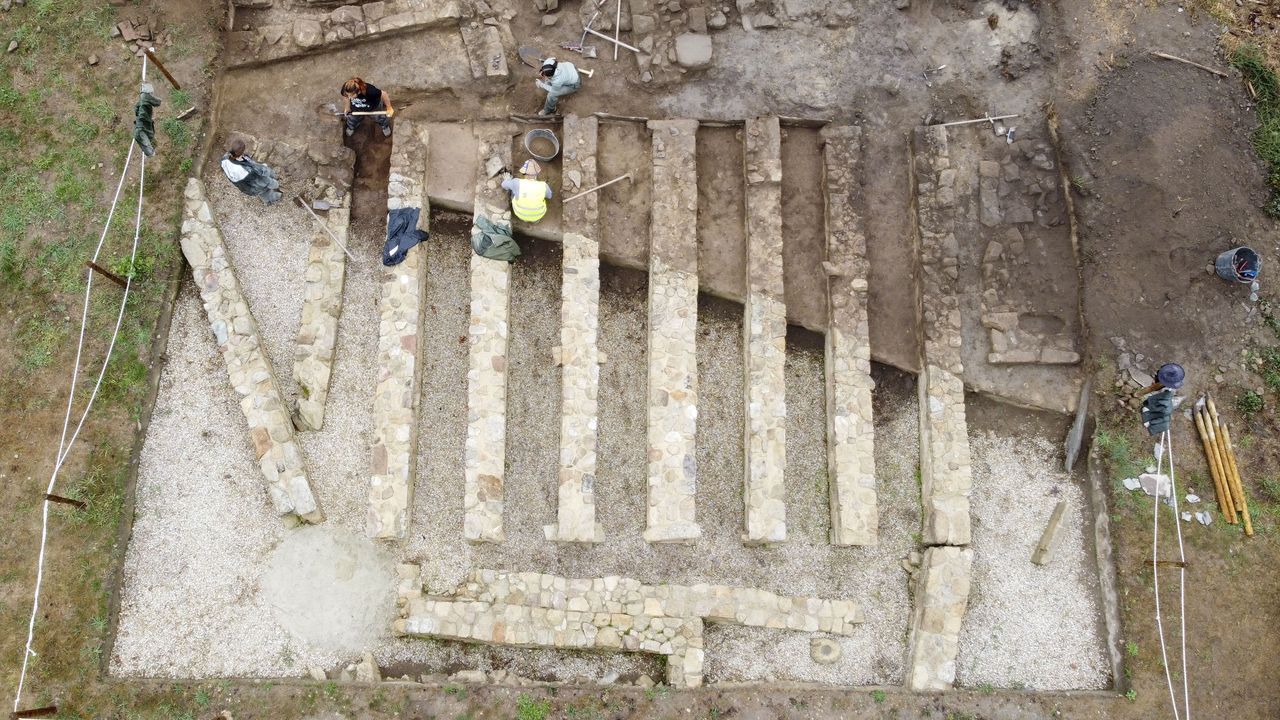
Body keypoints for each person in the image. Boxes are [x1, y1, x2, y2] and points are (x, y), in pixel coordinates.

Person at [220, 138, 282, 205]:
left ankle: (267, 198)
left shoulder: (225, 159)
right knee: (263, 189)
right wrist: (273, 183)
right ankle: (270, 199)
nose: (244, 152)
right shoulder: (244, 171)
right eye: (242, 150)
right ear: (238, 152)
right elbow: (260, 180)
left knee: (261, 189)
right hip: (251, 185)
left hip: (243, 184)